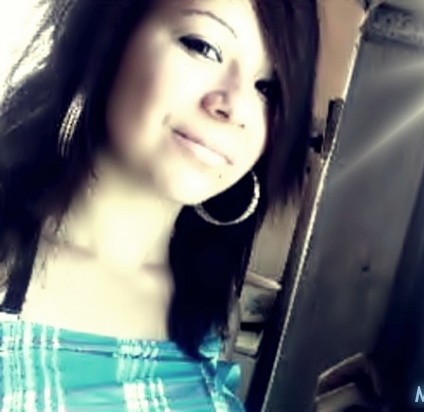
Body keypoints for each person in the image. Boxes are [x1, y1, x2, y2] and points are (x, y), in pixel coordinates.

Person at [0, 0, 319, 410]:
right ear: (110, 35)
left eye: (267, 88)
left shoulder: (211, 310)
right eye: (203, 47)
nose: (236, 106)